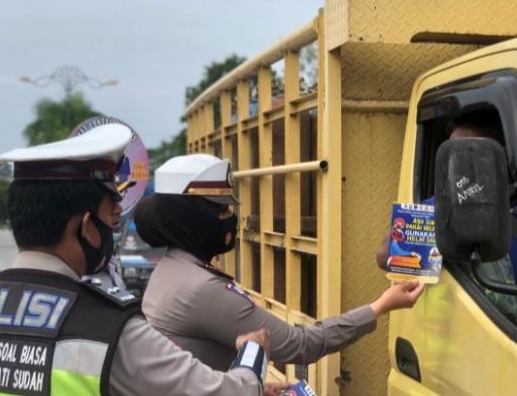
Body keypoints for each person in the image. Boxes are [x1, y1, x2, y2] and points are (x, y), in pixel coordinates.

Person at [0, 123, 270, 396]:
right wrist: (253, 350)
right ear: (87, 227)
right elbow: (230, 392)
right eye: (109, 215)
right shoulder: (110, 329)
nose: (113, 227)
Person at [136, 154, 425, 376]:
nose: (230, 218)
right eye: (221, 210)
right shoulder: (201, 289)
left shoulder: (170, 270)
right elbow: (300, 345)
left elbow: (194, 366)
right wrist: (380, 306)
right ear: (191, 218)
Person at [377, 112, 517, 284]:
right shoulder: (443, 204)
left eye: (467, 154)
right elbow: (385, 256)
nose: (455, 162)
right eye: (451, 153)